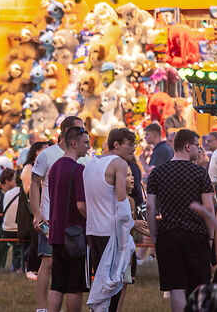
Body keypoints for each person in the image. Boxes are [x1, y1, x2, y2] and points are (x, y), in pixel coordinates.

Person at [146, 129, 214, 312]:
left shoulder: (158, 173)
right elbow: (209, 208)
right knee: (199, 285)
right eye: (197, 146)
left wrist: (154, 235)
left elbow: (150, 207)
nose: (199, 150)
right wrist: (211, 236)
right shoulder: (200, 173)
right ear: (187, 146)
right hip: (196, 234)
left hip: (168, 234)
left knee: (177, 286)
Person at [30, 115, 84, 312]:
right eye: (80, 129)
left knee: (67, 267)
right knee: (48, 260)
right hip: (49, 216)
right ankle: (42, 308)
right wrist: (37, 213)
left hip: (76, 219)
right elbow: (34, 183)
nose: (84, 132)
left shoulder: (84, 154)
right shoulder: (47, 155)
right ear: (68, 132)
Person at [83, 127, 134, 312]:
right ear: (116, 144)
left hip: (93, 230)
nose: (133, 149)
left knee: (101, 281)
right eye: (130, 145)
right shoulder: (118, 163)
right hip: (111, 232)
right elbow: (122, 202)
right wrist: (130, 227)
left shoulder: (92, 162)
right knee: (113, 285)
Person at [47, 126, 90, 312]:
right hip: (75, 235)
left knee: (57, 285)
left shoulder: (55, 167)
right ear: (74, 143)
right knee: (75, 288)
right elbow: (81, 205)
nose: (88, 147)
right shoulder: (79, 170)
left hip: (56, 232)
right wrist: (94, 220)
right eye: (85, 143)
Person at [21, 141, 48, 278]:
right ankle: (30, 268)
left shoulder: (41, 167)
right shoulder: (28, 168)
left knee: (41, 237)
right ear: (37, 152)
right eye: (45, 149)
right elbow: (27, 188)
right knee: (36, 238)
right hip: (31, 209)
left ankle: (37, 268)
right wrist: (42, 181)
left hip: (40, 206)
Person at [0, 168, 22, 271]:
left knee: (4, 232)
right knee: (25, 233)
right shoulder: (26, 193)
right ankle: (18, 266)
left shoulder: (7, 193)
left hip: (7, 231)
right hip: (20, 232)